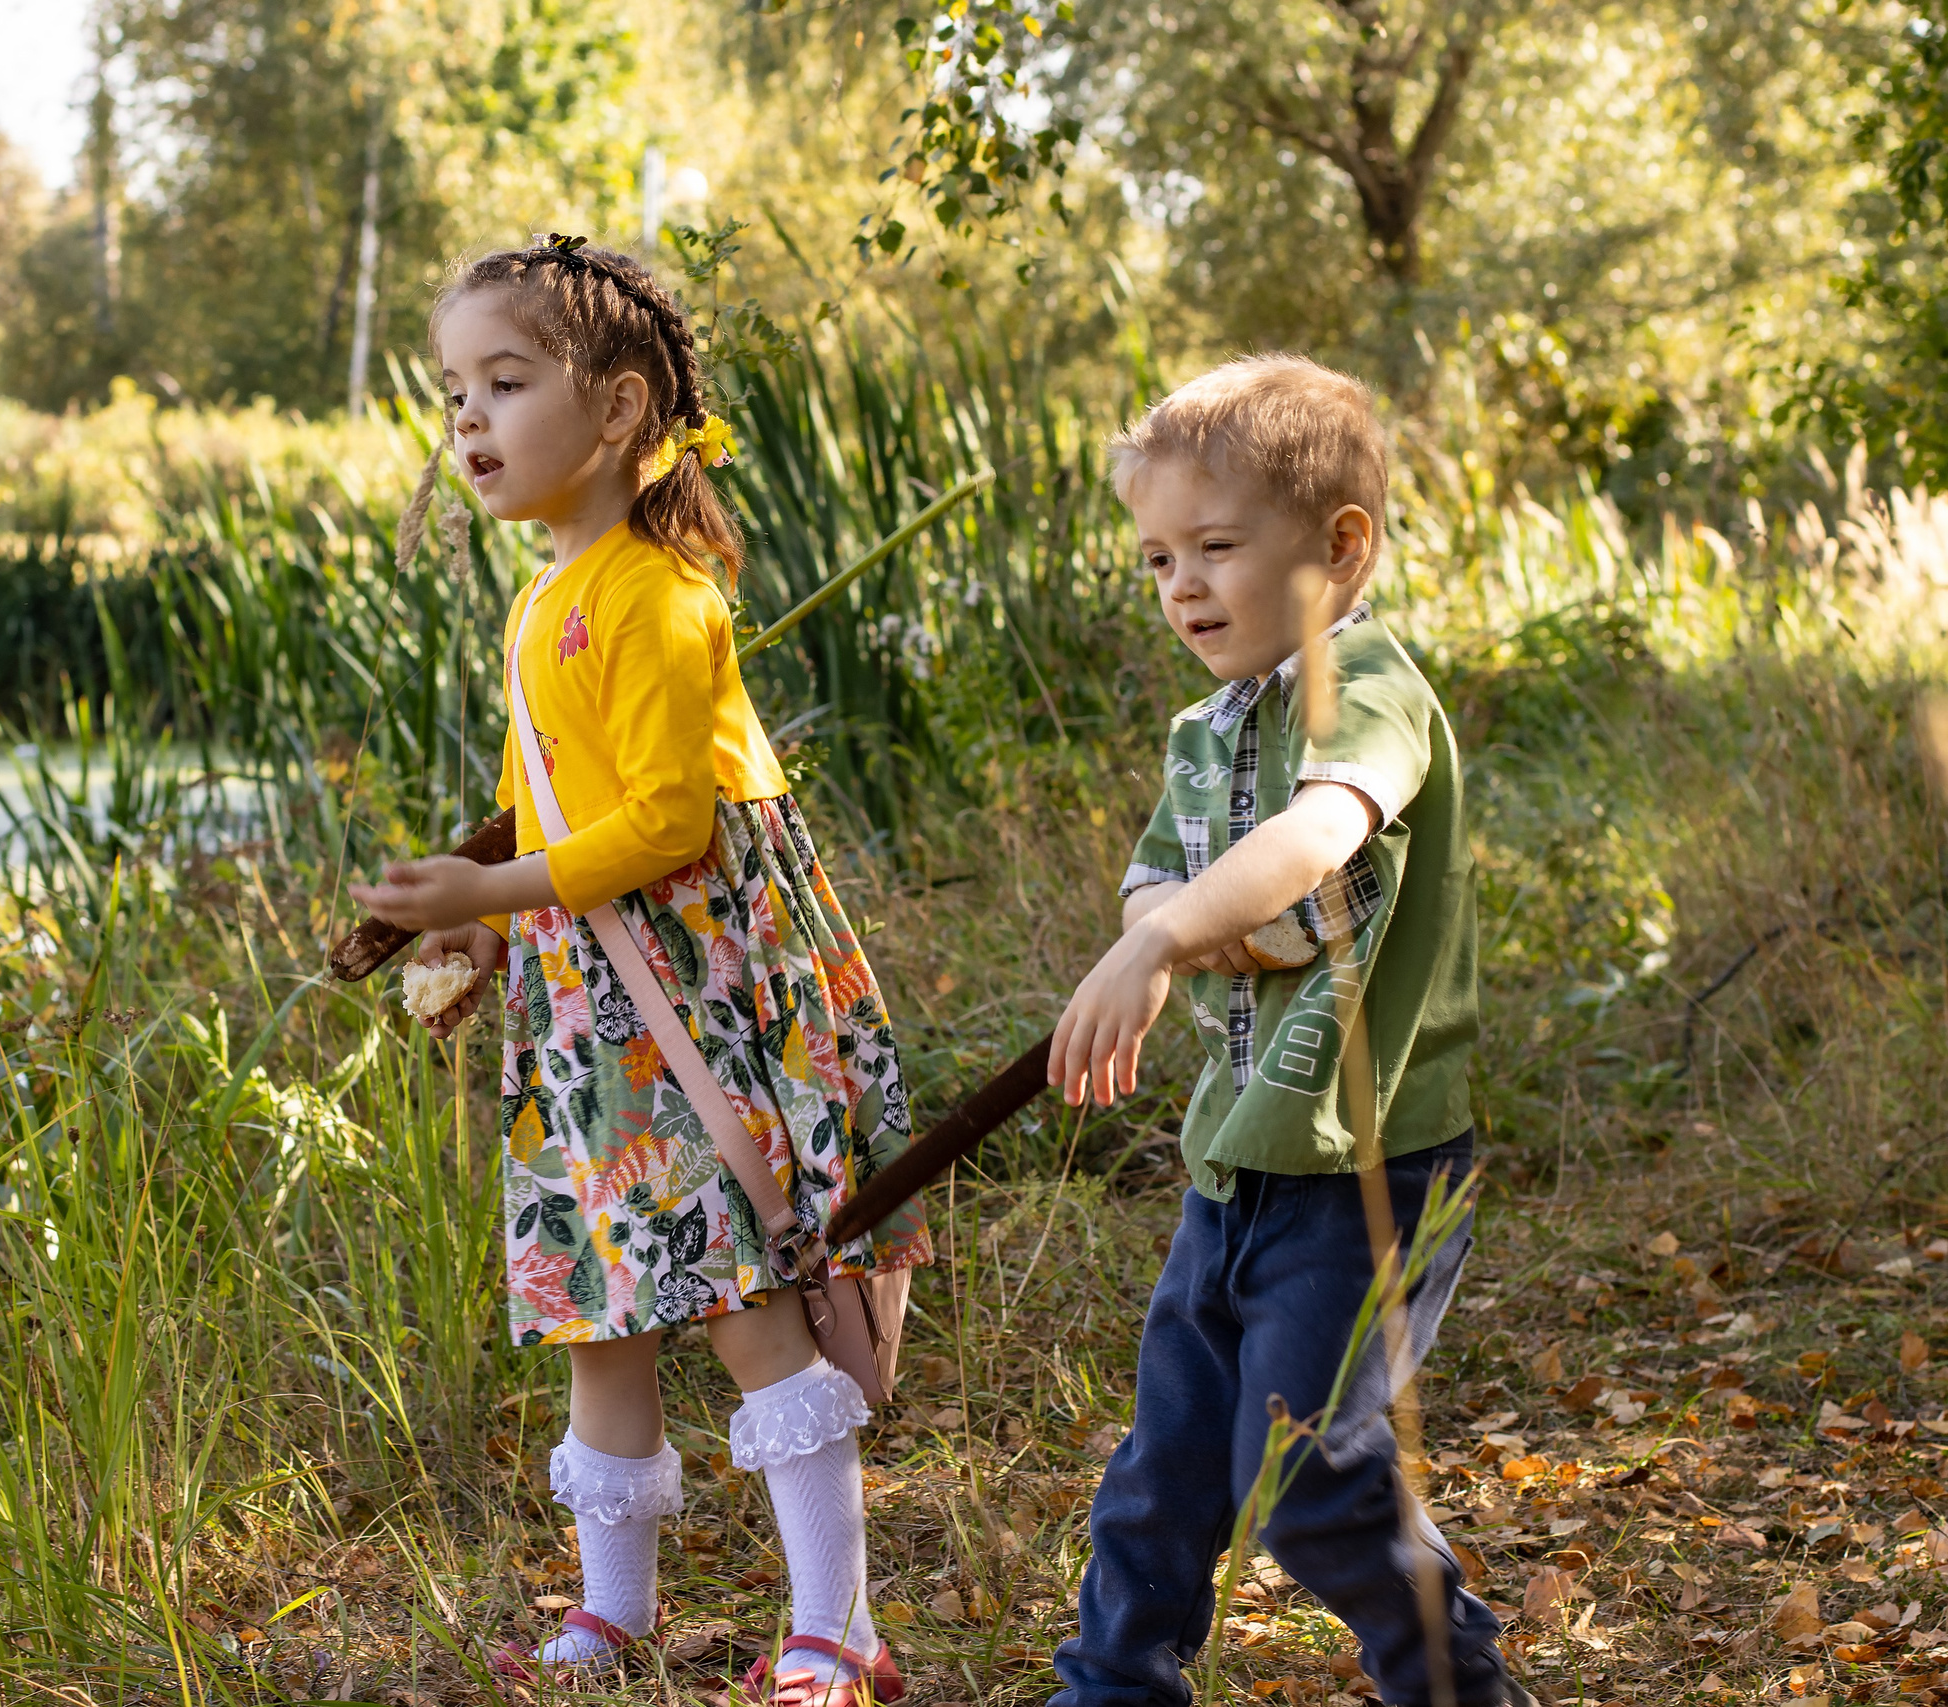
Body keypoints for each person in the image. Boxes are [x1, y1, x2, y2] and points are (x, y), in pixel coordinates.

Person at [348, 237, 931, 1707]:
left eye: (504, 382)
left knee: (741, 1297)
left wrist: (494, 888)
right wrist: (486, 926)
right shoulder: (544, 595)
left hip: (690, 1002)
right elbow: (544, 803)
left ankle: (837, 1624)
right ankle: (612, 1613)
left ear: (616, 410)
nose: (467, 419)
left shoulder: (660, 595)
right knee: (598, 1308)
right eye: (453, 391)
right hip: (583, 1011)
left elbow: (671, 825)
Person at [1043, 355, 1532, 1707]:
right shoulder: (1208, 730)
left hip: (1369, 1172)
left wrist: (1164, 941)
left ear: (1339, 548)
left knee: (1310, 1471)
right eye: (1157, 560)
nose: (1181, 586)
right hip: (1237, 1157)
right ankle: (1110, 1692)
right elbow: (1154, 879)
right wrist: (1161, 924)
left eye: (1215, 547)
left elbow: (1318, 834)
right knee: (1164, 1473)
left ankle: (1457, 1688)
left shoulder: (1361, 687)